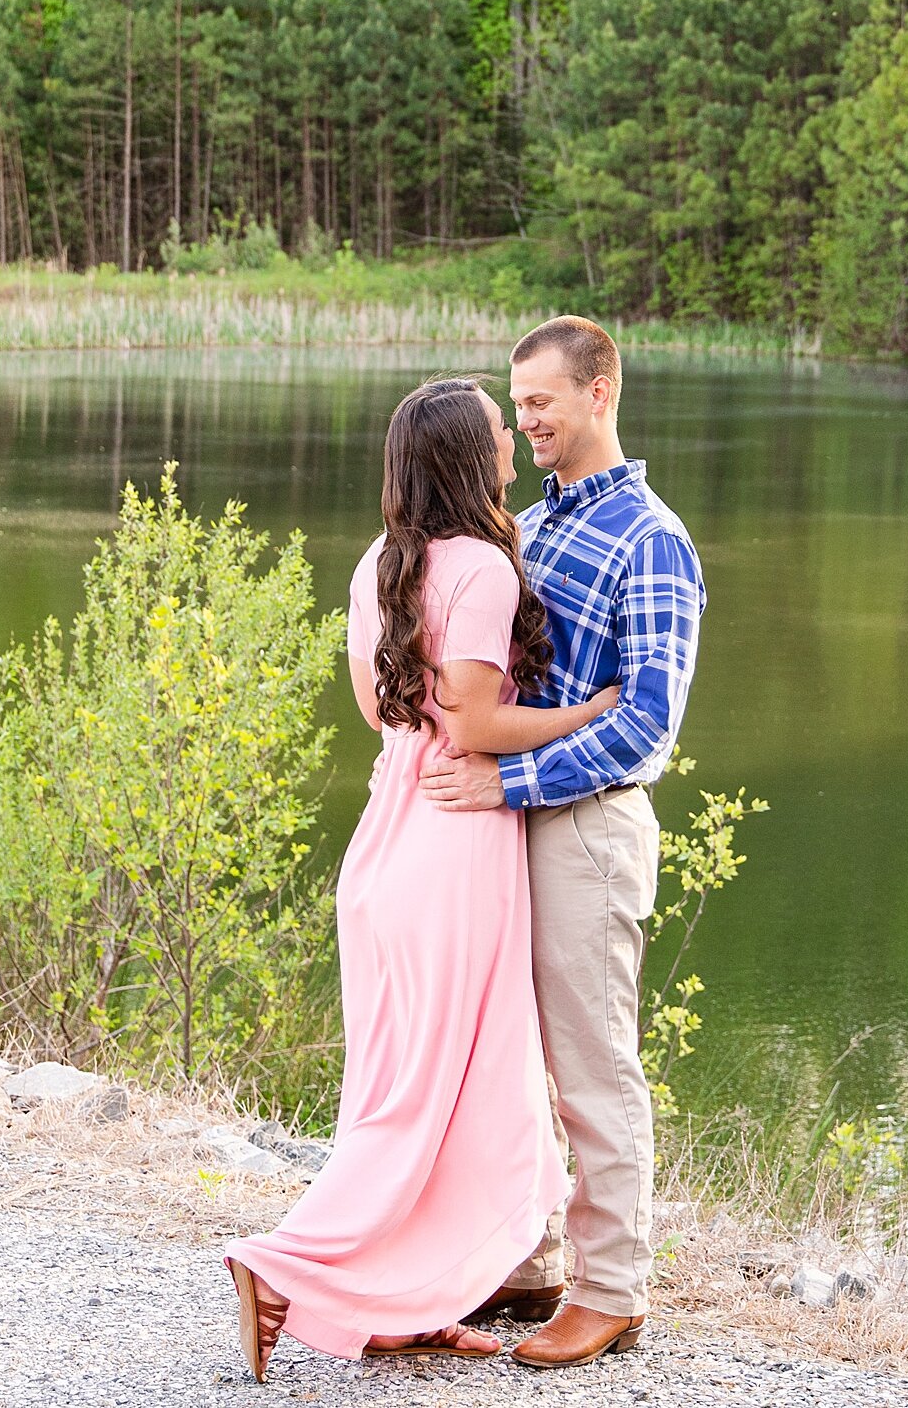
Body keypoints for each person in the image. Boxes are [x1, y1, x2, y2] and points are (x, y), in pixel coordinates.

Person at [224, 377, 621, 1382]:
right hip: (455, 849)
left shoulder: (379, 563)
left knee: (418, 1093)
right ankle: (282, 1265)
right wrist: (595, 712)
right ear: (463, 457)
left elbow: (383, 712)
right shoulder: (483, 569)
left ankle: (407, 1303)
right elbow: (478, 727)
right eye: (495, 428)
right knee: (432, 1100)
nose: (508, 438)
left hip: (387, 843)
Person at [421, 316, 706, 1370]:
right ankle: (529, 1257)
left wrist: (507, 779)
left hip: (586, 829)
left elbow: (646, 722)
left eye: (541, 400)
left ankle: (612, 1291)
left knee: (592, 1065)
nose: (527, 419)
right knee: (508, 1056)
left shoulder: (652, 538)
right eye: (518, 403)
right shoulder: (527, 531)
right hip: (508, 823)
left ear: (601, 392)